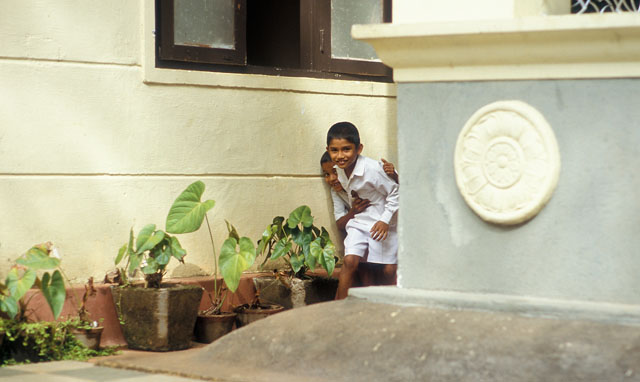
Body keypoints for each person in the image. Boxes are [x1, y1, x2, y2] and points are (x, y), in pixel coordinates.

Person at [326, 122, 399, 299]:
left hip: (382, 224)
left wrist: (384, 220)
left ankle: (392, 308)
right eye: (334, 150)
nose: (340, 156)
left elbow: (396, 191)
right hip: (359, 222)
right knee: (350, 261)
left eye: (346, 149)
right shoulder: (340, 171)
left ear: (359, 149)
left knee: (388, 271)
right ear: (328, 149)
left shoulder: (373, 169)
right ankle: (340, 308)